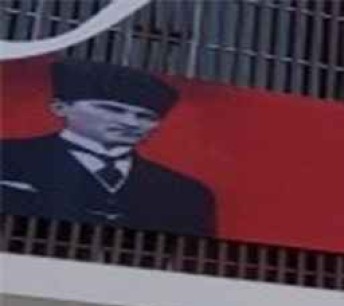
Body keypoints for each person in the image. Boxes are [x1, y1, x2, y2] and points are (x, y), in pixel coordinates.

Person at [0, 59, 215, 235]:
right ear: (60, 107)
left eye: (146, 116)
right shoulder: (6, 157)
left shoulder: (186, 192)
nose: (130, 123)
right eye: (112, 109)